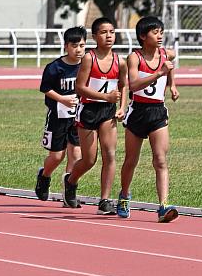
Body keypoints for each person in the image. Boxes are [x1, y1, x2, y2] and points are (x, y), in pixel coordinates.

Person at [117, 16, 180, 223]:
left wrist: (172, 84)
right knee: (131, 160)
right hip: (137, 112)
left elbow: (170, 64)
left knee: (160, 159)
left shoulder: (166, 54)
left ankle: (163, 206)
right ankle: (124, 195)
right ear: (143, 36)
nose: (160, 35)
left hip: (158, 112)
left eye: (161, 31)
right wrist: (159, 73)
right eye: (155, 32)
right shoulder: (135, 58)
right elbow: (133, 85)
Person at [63, 17, 128, 214]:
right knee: (90, 159)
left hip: (108, 113)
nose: (108, 36)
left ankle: (105, 200)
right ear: (94, 36)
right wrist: (105, 96)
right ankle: (71, 180)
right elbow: (80, 88)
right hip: (89, 111)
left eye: (112, 32)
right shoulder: (89, 58)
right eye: (103, 32)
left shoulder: (120, 61)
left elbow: (124, 85)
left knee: (110, 154)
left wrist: (122, 106)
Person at [34, 26, 87, 203]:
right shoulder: (55, 67)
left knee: (76, 155)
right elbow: (45, 88)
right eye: (74, 46)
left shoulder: (87, 66)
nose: (78, 50)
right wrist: (62, 100)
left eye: (82, 45)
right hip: (58, 116)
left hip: (78, 117)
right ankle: (44, 175)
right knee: (57, 156)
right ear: (66, 46)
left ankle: (69, 192)